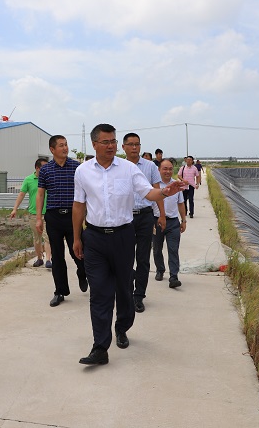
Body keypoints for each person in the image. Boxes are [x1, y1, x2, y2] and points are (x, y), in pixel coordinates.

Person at [72, 124, 187, 366]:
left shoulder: (128, 169)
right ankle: (100, 347)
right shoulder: (82, 171)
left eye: (113, 141)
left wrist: (166, 192)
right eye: (106, 142)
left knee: (124, 288)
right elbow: (79, 205)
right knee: (99, 293)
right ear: (94, 144)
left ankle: (122, 327)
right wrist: (77, 238)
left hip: (123, 236)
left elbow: (149, 193)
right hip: (95, 238)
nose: (111, 146)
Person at [36, 135, 87, 307]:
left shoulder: (77, 167)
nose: (65, 148)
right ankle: (60, 291)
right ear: (52, 150)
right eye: (61, 145)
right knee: (57, 256)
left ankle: (82, 272)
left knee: (78, 251)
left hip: (73, 216)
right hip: (53, 217)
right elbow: (40, 195)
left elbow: (85, 192)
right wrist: (39, 218)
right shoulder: (45, 170)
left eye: (66, 145)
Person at [121, 133, 165, 313]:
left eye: (137, 144)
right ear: (123, 147)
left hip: (145, 216)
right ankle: (127, 291)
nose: (134, 147)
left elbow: (157, 191)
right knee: (125, 258)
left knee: (143, 258)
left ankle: (139, 296)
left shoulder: (150, 166)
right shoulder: (118, 166)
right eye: (130, 144)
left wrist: (162, 215)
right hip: (125, 217)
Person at [10, 158, 52, 268]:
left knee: (47, 237)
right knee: (37, 239)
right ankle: (39, 258)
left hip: (48, 213)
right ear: (37, 168)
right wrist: (15, 209)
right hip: (34, 214)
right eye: (44, 167)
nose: (47, 169)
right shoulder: (28, 180)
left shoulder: (50, 179)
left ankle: (48, 260)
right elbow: (21, 194)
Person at [152, 158, 187, 288]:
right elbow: (149, 204)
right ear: (159, 170)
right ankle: (160, 270)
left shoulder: (177, 185)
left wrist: (183, 220)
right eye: (165, 169)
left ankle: (173, 276)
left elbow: (181, 203)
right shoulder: (154, 186)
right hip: (157, 221)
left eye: (170, 169)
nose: (168, 171)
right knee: (157, 249)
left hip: (173, 222)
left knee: (173, 249)